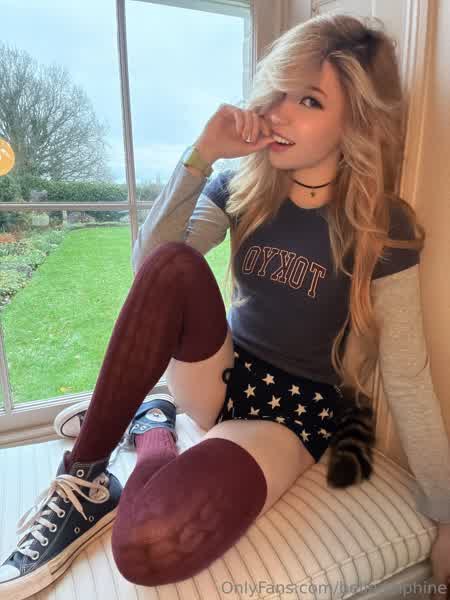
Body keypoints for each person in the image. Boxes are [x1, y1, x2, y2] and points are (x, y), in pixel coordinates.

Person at [1, 12, 450, 599]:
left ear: (356, 121)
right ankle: (84, 479)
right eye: (279, 92)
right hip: (218, 371)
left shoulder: (380, 227)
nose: (280, 113)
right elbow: (151, 271)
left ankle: (153, 426)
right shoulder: (244, 186)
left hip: (289, 415)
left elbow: (407, 375)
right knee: (174, 262)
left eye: (309, 101)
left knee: (147, 546)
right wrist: (202, 155)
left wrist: (445, 512)